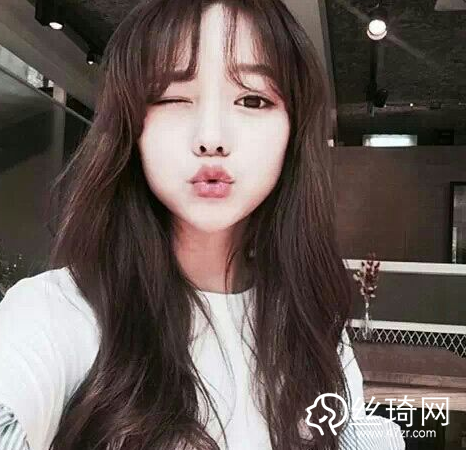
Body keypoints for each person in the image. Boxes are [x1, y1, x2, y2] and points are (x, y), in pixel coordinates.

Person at [0, 1, 406, 449]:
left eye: (253, 99)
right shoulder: (60, 311)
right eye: (173, 98)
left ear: (293, 131)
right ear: (132, 126)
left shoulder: (311, 323)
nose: (211, 138)